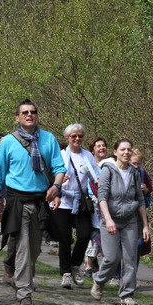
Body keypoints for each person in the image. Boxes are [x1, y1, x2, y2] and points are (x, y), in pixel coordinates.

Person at [0, 99, 66, 305]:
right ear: (17, 118)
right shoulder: (8, 142)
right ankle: (24, 293)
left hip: (40, 201)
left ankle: (20, 278)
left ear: (37, 115)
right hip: (17, 201)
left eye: (33, 112)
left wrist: (56, 185)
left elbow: (59, 167)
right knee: (23, 248)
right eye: (25, 112)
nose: (29, 115)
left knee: (35, 249)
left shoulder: (49, 139)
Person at [90, 139, 149, 305]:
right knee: (112, 257)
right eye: (123, 149)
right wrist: (108, 219)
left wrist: (145, 225)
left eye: (129, 149)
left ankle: (127, 295)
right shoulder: (108, 171)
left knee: (130, 258)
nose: (126, 152)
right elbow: (102, 197)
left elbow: (140, 199)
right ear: (115, 152)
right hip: (110, 219)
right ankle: (99, 281)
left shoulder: (135, 173)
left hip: (130, 220)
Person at [51, 124, 96, 289]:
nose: (77, 139)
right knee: (64, 239)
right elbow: (53, 173)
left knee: (85, 234)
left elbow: (95, 177)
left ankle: (75, 266)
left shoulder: (88, 156)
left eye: (80, 136)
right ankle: (66, 273)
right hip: (62, 201)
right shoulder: (61, 155)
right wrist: (59, 181)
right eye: (73, 136)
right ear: (67, 138)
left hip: (81, 201)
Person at [83, 137, 107, 277]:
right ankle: (89, 265)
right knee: (94, 233)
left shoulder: (110, 164)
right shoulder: (88, 164)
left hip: (106, 202)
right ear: (93, 150)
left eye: (103, 145)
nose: (102, 148)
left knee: (103, 233)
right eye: (98, 146)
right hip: (92, 202)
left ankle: (100, 264)